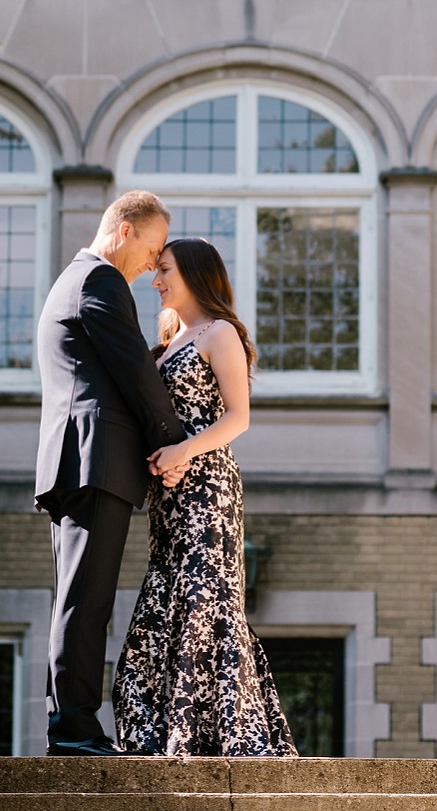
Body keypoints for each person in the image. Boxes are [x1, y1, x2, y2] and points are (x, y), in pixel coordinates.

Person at [111, 237, 297, 757]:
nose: (156, 280)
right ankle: (163, 740)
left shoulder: (220, 334)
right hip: (169, 497)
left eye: (165, 270)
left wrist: (183, 454)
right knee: (162, 609)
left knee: (202, 610)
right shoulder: (168, 338)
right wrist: (162, 460)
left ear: (194, 273)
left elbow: (238, 417)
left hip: (209, 492)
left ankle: (208, 745)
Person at [35, 190, 188, 757]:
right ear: (125, 232)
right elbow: (135, 374)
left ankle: (69, 726)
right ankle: (74, 731)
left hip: (82, 461)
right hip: (94, 461)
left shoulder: (75, 280)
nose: (152, 265)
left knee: (79, 599)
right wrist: (177, 446)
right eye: (151, 250)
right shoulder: (99, 281)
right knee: (86, 602)